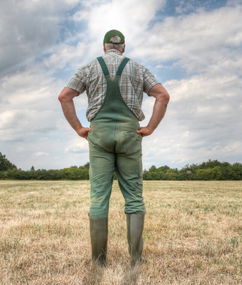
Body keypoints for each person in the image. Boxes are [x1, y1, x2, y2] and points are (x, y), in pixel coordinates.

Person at [58, 29, 169, 267]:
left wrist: (79, 128)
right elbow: (162, 95)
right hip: (130, 133)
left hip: (99, 134)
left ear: (104, 46)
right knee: (134, 196)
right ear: (123, 48)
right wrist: (149, 127)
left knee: (99, 196)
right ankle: (135, 258)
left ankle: (99, 261)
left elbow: (64, 96)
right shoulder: (138, 68)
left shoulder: (88, 68)